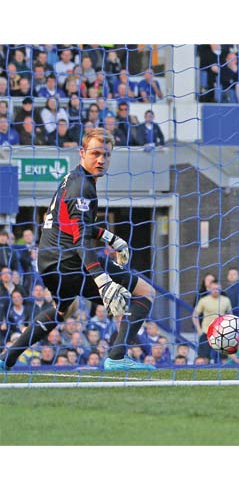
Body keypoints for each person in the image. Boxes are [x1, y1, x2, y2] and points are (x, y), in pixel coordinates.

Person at [1, 128, 157, 373]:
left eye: (106, 155)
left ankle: (6, 359)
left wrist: (112, 239)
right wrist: (102, 279)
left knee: (61, 310)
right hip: (69, 260)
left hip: (48, 262)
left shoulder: (71, 179)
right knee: (144, 293)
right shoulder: (83, 187)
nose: (101, 160)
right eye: (95, 153)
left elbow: (76, 224)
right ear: (82, 153)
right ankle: (117, 356)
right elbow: (80, 236)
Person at [192, 279, 232, 360]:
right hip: (206, 332)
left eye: (217, 288)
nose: (215, 290)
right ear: (209, 289)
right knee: (203, 357)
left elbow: (230, 315)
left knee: (223, 358)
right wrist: (199, 330)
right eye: (213, 288)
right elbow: (194, 315)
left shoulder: (226, 300)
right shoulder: (204, 300)